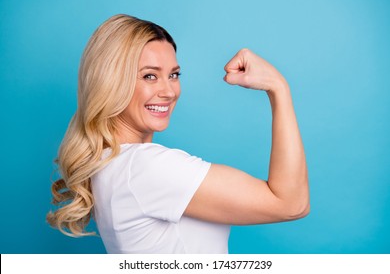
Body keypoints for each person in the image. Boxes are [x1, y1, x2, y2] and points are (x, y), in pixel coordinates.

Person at [47, 14, 309, 254]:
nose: (169, 91)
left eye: (174, 75)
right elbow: (291, 203)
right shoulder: (144, 167)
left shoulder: (112, 163)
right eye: (149, 76)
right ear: (110, 81)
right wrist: (278, 87)